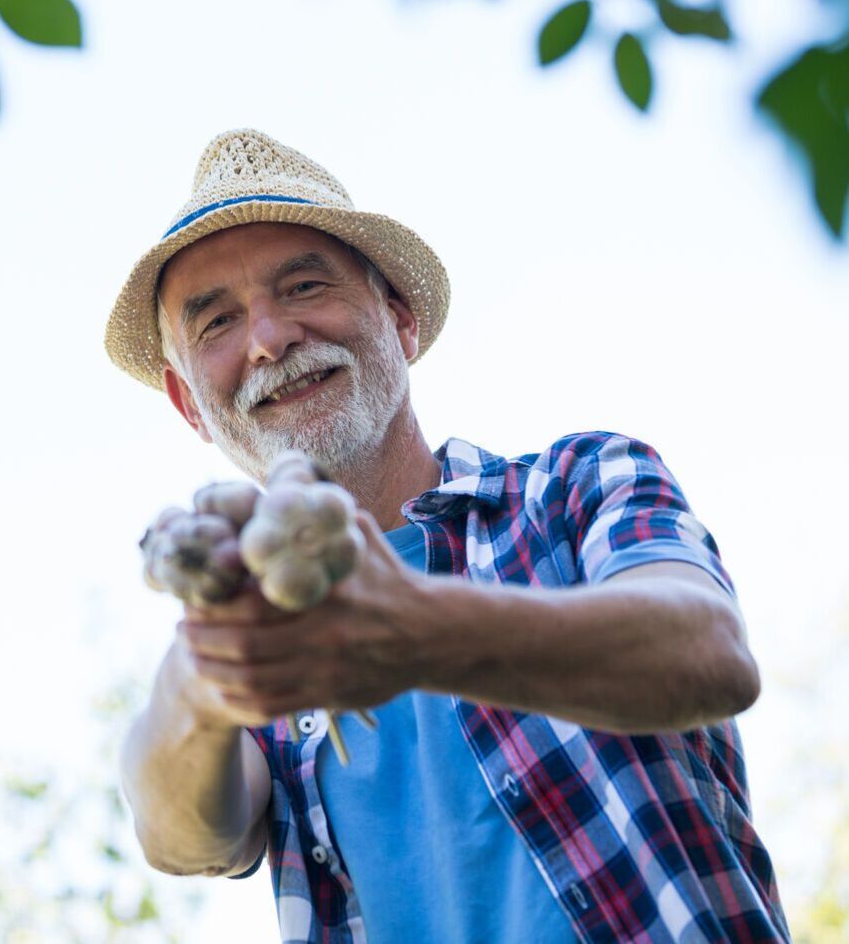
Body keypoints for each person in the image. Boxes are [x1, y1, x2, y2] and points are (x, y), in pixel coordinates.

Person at [106, 129, 788, 943]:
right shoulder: (254, 640)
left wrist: (415, 632)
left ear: (400, 320)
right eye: (217, 321)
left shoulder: (574, 484)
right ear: (190, 405)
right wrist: (207, 672)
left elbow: (708, 654)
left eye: (304, 285)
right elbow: (180, 836)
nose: (267, 337)